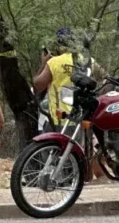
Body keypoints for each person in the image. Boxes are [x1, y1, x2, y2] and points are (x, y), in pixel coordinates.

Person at [32, 27, 108, 180]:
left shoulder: (54, 62)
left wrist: (43, 63)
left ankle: (64, 185)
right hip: (83, 117)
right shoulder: (88, 61)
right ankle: (85, 183)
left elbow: (37, 85)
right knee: (84, 154)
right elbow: (106, 78)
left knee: (57, 157)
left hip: (59, 118)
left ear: (58, 44)